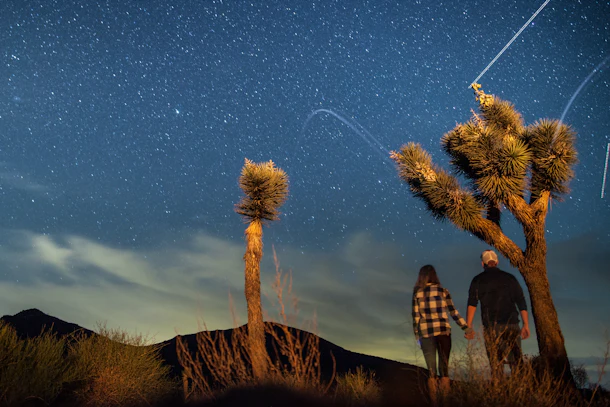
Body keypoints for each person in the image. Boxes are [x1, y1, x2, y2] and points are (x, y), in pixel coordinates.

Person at [466, 249, 530, 381]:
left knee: (495, 364)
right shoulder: (510, 278)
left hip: (491, 326)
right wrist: (526, 324)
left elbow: (472, 304)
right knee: (516, 361)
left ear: (483, 264)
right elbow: (521, 301)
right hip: (511, 324)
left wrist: (468, 326)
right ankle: (519, 390)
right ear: (497, 262)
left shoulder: (477, 280)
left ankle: (498, 391)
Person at [412, 264, 473, 405]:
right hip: (443, 332)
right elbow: (453, 312)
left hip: (426, 334)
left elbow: (416, 317)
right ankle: (445, 402)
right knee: (444, 370)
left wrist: (417, 335)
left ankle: (434, 403)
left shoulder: (418, 293)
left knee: (431, 372)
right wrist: (466, 328)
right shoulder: (443, 291)